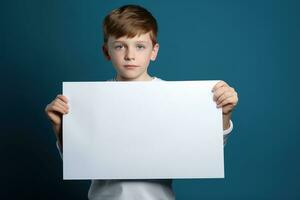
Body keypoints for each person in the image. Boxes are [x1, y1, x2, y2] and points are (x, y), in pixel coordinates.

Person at [45, 4, 239, 200]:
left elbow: (203, 150)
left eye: (140, 46)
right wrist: (62, 129)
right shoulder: (90, 100)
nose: (130, 55)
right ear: (106, 52)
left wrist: (223, 115)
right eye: (120, 46)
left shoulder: (173, 97)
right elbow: (81, 160)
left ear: (153, 51)